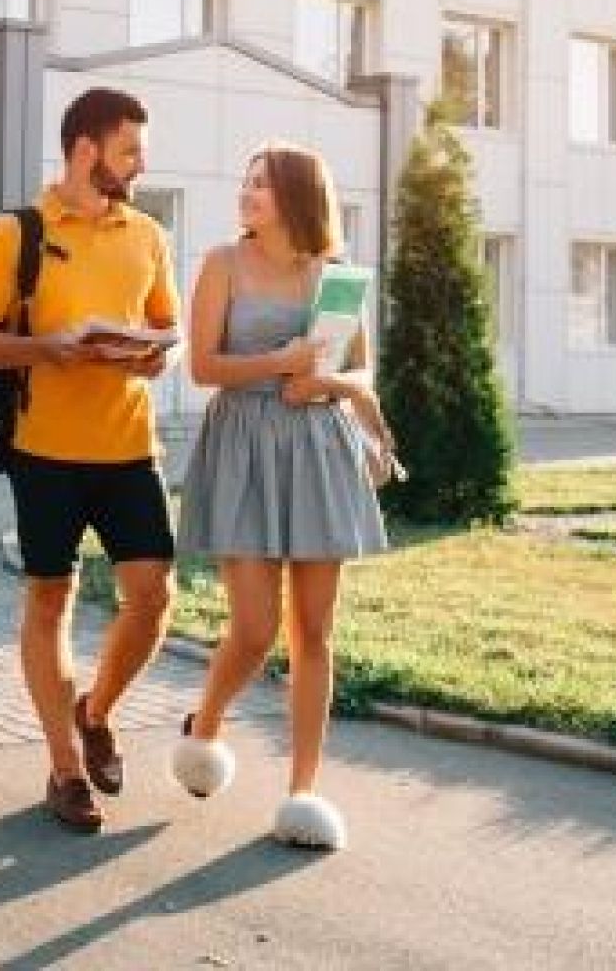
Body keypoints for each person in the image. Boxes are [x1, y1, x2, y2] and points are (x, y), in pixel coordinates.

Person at [0, 87, 184, 833]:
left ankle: (96, 712)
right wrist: (45, 349)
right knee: (49, 601)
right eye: (130, 150)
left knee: (153, 597)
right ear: (87, 149)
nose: (141, 163)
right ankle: (63, 770)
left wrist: (150, 358)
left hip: (128, 447)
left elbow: (164, 327)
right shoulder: (15, 232)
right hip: (44, 453)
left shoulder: (147, 234)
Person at [169, 143, 389, 852]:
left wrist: (319, 382)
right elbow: (203, 368)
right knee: (257, 626)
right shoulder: (221, 265)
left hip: (319, 449)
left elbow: (361, 369)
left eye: (259, 184)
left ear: (295, 196)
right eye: (245, 182)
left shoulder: (335, 276)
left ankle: (303, 790)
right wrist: (281, 363)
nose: (246, 193)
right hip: (243, 447)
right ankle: (205, 727)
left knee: (315, 632)